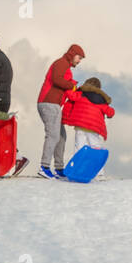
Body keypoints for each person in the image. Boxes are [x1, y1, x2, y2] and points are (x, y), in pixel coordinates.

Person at [36, 44, 84, 179]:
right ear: (72, 54)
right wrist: (72, 84)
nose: (79, 61)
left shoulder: (66, 67)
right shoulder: (61, 63)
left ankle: (59, 168)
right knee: (53, 135)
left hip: (54, 104)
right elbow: (56, 79)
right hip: (49, 103)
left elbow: (68, 89)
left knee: (61, 136)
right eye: (79, 57)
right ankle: (44, 167)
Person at [61, 77, 114, 152]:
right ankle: (96, 155)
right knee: (94, 143)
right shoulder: (101, 99)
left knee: (79, 145)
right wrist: (109, 115)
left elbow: (71, 95)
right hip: (94, 126)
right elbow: (110, 111)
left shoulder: (80, 93)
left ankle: (78, 159)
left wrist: (72, 86)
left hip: (80, 124)